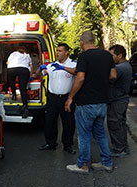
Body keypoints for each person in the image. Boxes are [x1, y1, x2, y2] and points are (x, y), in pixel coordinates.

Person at [65, 31, 117, 174]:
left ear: (82, 42)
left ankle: (82, 165)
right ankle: (107, 162)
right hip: (102, 103)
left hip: (86, 103)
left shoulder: (84, 57)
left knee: (84, 135)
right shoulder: (107, 55)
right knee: (100, 133)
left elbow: (80, 78)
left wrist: (70, 98)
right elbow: (113, 75)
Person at [37, 43, 77, 154]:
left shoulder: (73, 64)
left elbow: (77, 72)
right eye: (57, 51)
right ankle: (51, 143)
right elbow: (37, 75)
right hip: (52, 98)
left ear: (66, 52)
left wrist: (63, 68)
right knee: (50, 121)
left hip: (66, 98)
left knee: (68, 122)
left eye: (60, 51)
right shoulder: (52, 65)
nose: (57, 53)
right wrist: (40, 69)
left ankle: (68, 145)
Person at [107, 44, 132, 157]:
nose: (110, 58)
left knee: (115, 124)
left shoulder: (120, 68)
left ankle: (119, 149)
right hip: (121, 99)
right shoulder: (126, 66)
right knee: (120, 124)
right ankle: (123, 147)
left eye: (111, 55)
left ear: (120, 55)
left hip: (117, 100)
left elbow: (110, 77)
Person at [7, 46, 33, 118]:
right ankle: (25, 106)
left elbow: (8, 62)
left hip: (12, 68)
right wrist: (30, 75)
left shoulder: (13, 54)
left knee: (12, 81)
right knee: (22, 88)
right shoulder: (27, 55)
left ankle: (14, 95)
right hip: (23, 69)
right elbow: (31, 66)